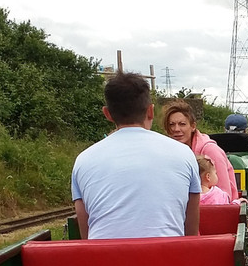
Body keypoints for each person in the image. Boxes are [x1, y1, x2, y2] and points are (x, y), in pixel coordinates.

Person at [71, 73, 201, 239]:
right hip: (168, 260)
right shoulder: (184, 154)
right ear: (151, 111)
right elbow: (190, 235)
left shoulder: (83, 160)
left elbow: (86, 234)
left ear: (107, 114)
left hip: (105, 262)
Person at [161, 99, 241, 201]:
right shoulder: (170, 153)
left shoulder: (211, 151)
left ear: (193, 126)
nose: (176, 129)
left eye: (182, 124)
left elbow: (225, 196)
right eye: (172, 124)